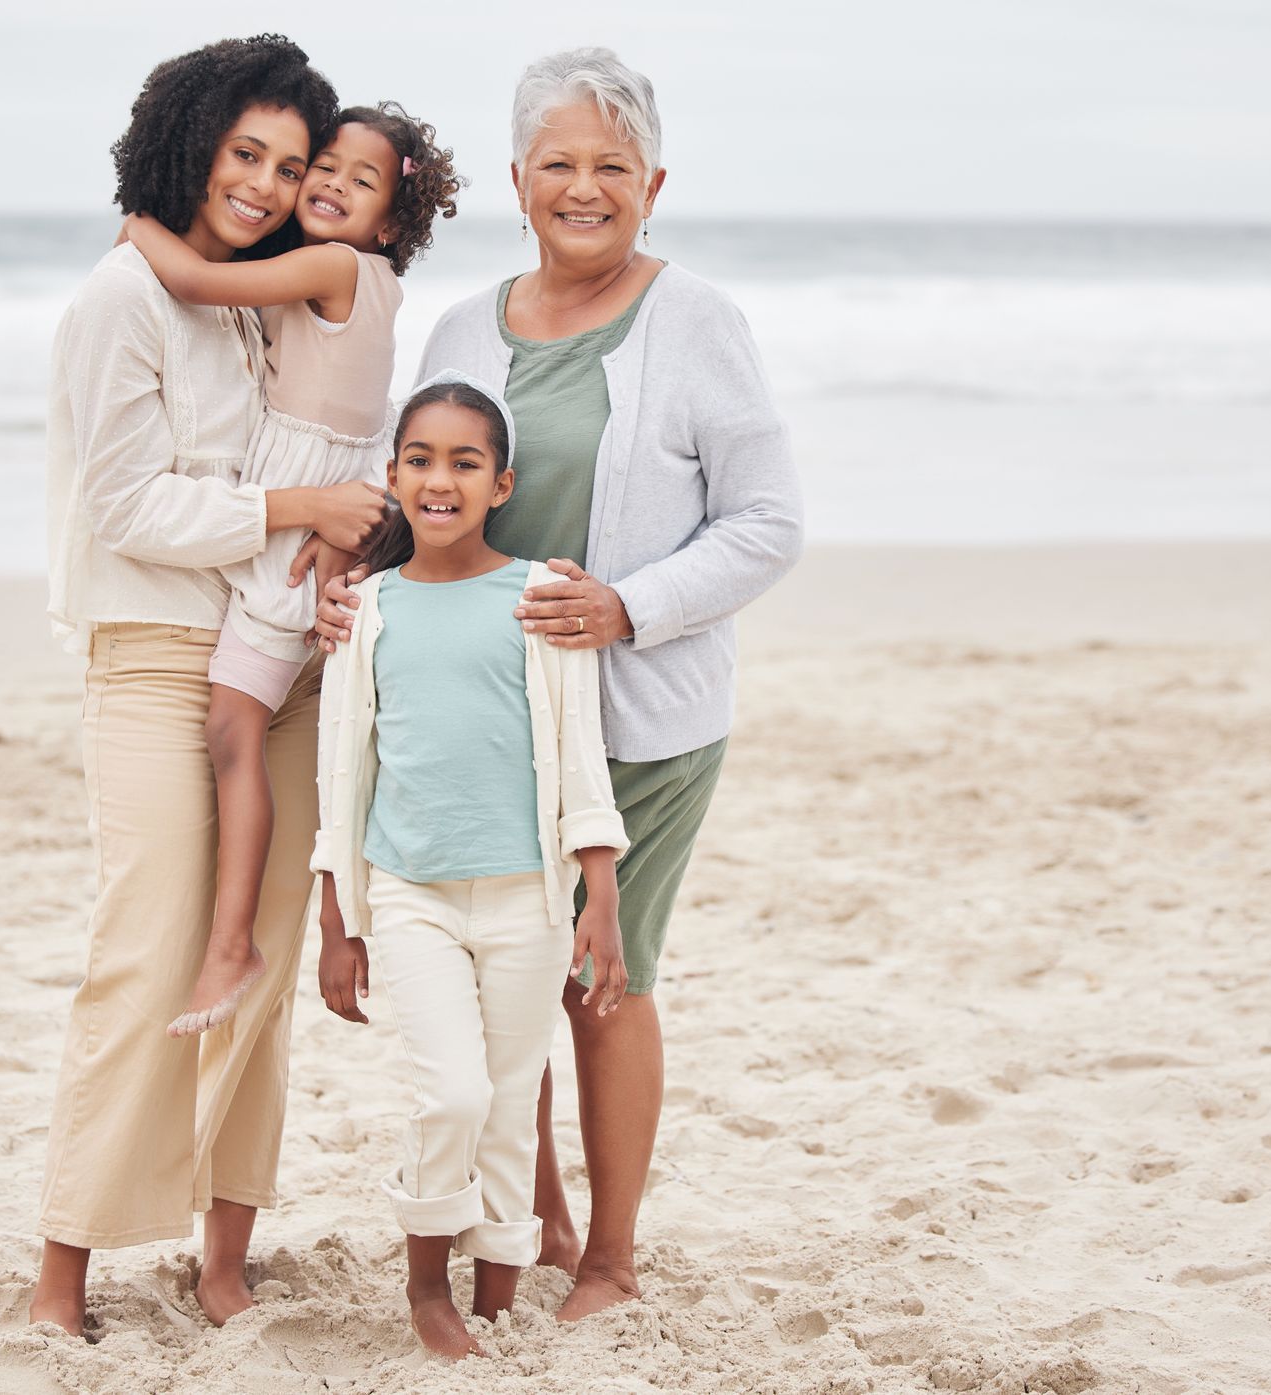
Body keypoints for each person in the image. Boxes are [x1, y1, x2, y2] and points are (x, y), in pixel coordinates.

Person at [307, 48, 805, 1320]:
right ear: (521, 179)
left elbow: (766, 524)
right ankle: (538, 1223)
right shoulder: (465, 326)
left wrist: (628, 608)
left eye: (613, 167)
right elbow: (424, 485)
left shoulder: (699, 325)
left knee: (605, 979)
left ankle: (615, 1260)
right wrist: (347, 581)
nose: (585, 188)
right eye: (561, 165)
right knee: (497, 995)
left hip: (641, 720)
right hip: (487, 725)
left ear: (654, 184)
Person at [32, 36, 388, 1336]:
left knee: (263, 969)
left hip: (279, 663)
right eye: (248, 153)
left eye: (291, 166)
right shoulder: (124, 297)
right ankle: (60, 1272)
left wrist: (336, 570)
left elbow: (327, 458)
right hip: (151, 661)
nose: (266, 184)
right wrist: (298, 504)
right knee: (144, 960)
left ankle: (224, 1256)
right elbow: (126, 505)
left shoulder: (259, 298)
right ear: (190, 138)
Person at [119, 101, 463, 1038]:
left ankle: (233, 939)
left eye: (362, 181)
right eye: (325, 168)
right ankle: (313, 914)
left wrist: (135, 222)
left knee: (234, 726)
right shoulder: (376, 278)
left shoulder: (332, 264)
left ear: (389, 221)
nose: (329, 185)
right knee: (314, 733)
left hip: (301, 503)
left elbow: (194, 280)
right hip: (326, 487)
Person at [311, 375, 630, 1359]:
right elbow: (340, 773)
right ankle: (425, 1285)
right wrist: (337, 918)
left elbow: (580, 755)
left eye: (464, 462)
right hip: (410, 893)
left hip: (530, 896)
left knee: (509, 1095)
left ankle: (495, 1291)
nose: (439, 479)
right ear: (394, 476)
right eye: (419, 459)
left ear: (501, 484)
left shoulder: (541, 594)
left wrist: (601, 898)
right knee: (448, 1092)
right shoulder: (364, 611)